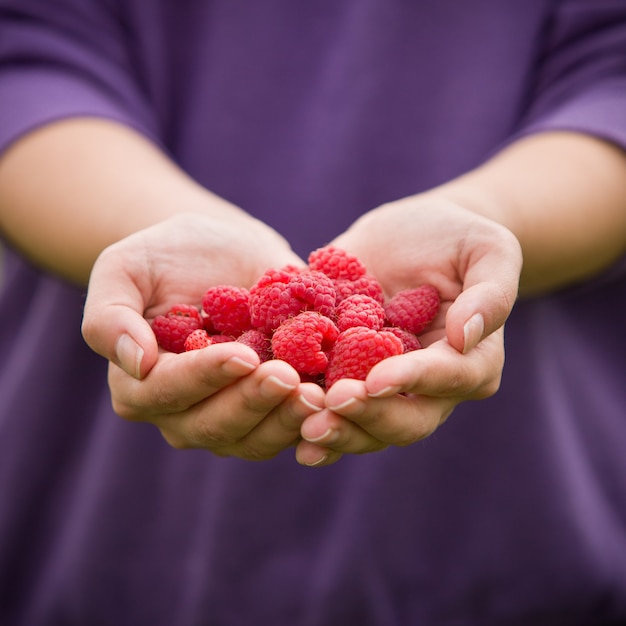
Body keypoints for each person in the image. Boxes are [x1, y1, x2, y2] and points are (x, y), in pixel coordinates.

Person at [0, 1, 625, 624]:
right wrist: (151, 229)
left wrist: (493, 218)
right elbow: (27, 56)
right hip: (103, 525)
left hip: (522, 524)